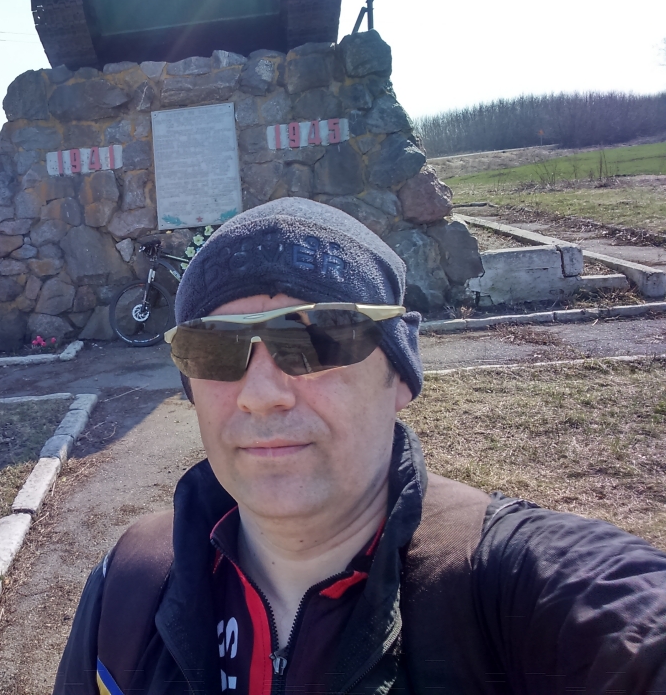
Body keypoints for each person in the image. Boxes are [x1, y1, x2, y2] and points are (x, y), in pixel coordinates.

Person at [54, 198, 666, 694]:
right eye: (215, 348)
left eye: (317, 338)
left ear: (399, 376)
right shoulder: (130, 582)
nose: (260, 395)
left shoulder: (518, 594)